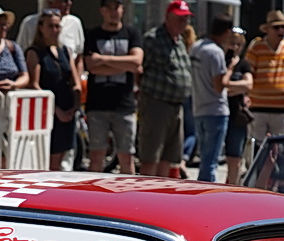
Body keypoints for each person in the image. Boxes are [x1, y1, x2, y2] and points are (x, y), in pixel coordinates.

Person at [83, 0, 140, 172]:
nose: (113, 12)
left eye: (117, 7)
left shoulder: (131, 33)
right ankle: (94, 189)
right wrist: (124, 65)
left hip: (124, 104)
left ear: (122, 10)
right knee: (96, 155)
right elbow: (92, 66)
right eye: (109, 8)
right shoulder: (92, 35)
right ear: (102, 10)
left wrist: (102, 59)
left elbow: (136, 62)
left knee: (127, 156)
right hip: (97, 105)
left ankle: (127, 189)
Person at [138, 0, 192, 179]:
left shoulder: (180, 41)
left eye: (186, 19)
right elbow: (140, 70)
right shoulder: (152, 39)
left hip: (176, 106)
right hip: (156, 104)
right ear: (168, 17)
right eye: (180, 19)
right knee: (151, 156)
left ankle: (160, 193)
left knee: (169, 158)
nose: (183, 23)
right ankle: (146, 192)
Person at [192, 18, 249, 184]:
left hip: (198, 108)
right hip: (216, 111)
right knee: (211, 162)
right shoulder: (216, 52)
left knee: (204, 158)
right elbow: (219, 86)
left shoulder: (196, 47)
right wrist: (230, 68)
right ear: (226, 32)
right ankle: (206, 192)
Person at [26, 9, 79, 170]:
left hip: (67, 110)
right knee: (50, 158)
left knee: (64, 156)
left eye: (57, 26)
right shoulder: (35, 52)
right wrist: (55, 110)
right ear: (41, 28)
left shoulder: (65, 51)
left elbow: (75, 81)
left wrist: (74, 107)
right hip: (48, 112)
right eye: (50, 26)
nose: (54, 30)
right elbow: (34, 85)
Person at [245, 10, 284, 152]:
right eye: (276, 28)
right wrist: (245, 94)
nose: (281, 31)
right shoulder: (257, 47)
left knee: (280, 147)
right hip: (258, 105)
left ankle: (277, 167)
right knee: (257, 146)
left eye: (283, 27)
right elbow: (248, 73)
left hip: (282, 107)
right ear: (268, 30)